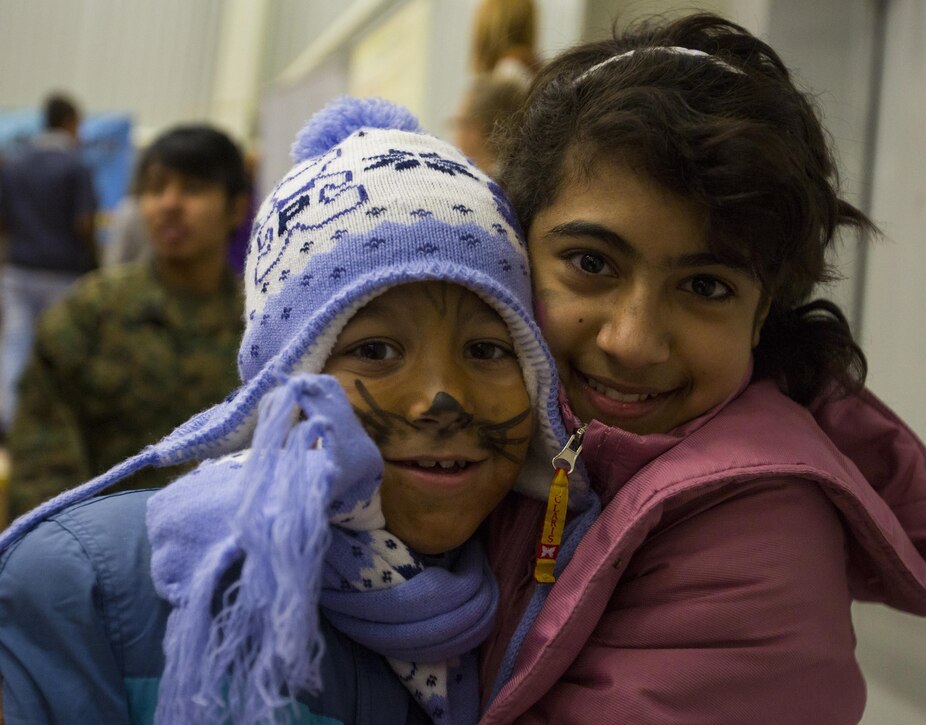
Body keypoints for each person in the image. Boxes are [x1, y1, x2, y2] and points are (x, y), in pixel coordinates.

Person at [0, 96, 597, 724]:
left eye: (487, 349)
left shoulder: (537, 607)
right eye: (375, 349)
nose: (440, 400)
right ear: (281, 382)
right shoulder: (83, 589)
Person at [478, 13, 926, 724]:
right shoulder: (493, 432)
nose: (633, 340)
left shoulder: (765, 532)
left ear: (763, 309)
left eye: (706, 285)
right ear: (512, 246)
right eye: (591, 263)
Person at [4, 125, 249, 518]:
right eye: (154, 188)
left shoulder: (261, 326)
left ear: (236, 208)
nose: (169, 203)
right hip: (99, 548)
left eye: (193, 188)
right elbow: (41, 452)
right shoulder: (92, 312)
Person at [0, 93, 98, 431]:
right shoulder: (77, 166)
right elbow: (84, 223)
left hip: (19, 267)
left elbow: (4, 221)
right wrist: (92, 261)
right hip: (62, 272)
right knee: (61, 349)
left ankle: (9, 422)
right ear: (70, 122)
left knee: (15, 343)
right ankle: (52, 427)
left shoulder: (15, 164)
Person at [453, 72, 529, 177]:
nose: (454, 133)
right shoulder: (521, 179)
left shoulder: (477, 186)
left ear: (475, 131)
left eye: (459, 123)